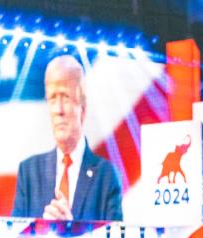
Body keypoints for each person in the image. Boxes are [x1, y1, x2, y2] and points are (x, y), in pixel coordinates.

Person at [12, 55, 123, 222]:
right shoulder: (29, 173)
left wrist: (69, 231)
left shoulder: (106, 176)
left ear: (83, 110)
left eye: (65, 97)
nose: (58, 110)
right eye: (52, 98)